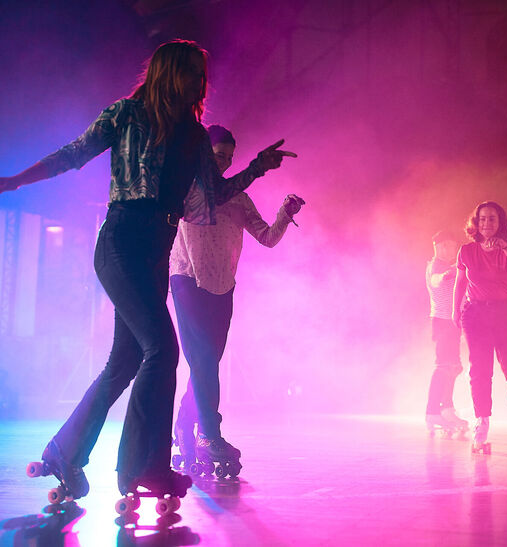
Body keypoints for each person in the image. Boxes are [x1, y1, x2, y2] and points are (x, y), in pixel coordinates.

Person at [0, 40, 295, 499]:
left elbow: (213, 195)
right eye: (192, 72)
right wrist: (16, 180)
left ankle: (64, 454)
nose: (200, 81)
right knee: (161, 348)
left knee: (127, 359)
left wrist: (257, 167)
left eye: (202, 74)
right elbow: (72, 153)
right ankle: (143, 468)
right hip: (122, 240)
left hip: (157, 251)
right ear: (169, 72)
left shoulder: (195, 136)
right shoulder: (125, 114)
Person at [170, 124, 304, 473]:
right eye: (218, 157)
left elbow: (266, 237)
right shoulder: (191, 188)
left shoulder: (239, 196)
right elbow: (207, 197)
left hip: (222, 285)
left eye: (229, 158)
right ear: (204, 155)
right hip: (187, 279)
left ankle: (186, 426)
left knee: (207, 363)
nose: (225, 164)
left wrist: (284, 216)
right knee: (203, 361)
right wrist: (257, 167)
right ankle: (208, 434)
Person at [452, 201, 507, 451]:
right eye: (482, 219)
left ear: (501, 223)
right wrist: (455, 310)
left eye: (492, 219)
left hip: (506, 312)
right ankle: (482, 421)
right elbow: (460, 282)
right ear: (476, 223)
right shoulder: (466, 251)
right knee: (480, 370)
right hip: (475, 313)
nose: (486, 224)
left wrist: (505, 247)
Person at [424, 230, 469, 435]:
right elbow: (436, 279)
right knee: (443, 366)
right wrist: (451, 271)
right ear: (440, 246)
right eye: (451, 246)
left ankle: (446, 409)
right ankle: (433, 412)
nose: (454, 250)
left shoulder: (447, 266)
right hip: (443, 322)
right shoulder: (437, 266)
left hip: (451, 323)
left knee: (453, 366)